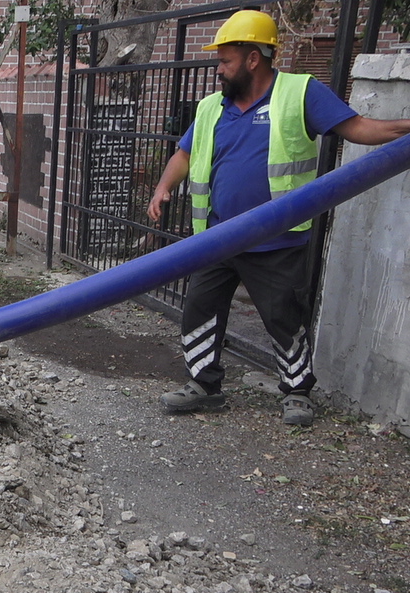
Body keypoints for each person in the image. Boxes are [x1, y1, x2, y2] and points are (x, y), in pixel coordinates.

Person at [147, 9, 410, 426]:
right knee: (199, 308)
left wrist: (405, 129)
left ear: (254, 58)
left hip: (276, 239)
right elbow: (184, 153)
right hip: (217, 236)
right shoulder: (212, 107)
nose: (219, 68)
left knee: (284, 316)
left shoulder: (299, 92)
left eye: (225, 60)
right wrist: (163, 187)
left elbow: (359, 129)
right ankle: (203, 384)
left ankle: (297, 391)